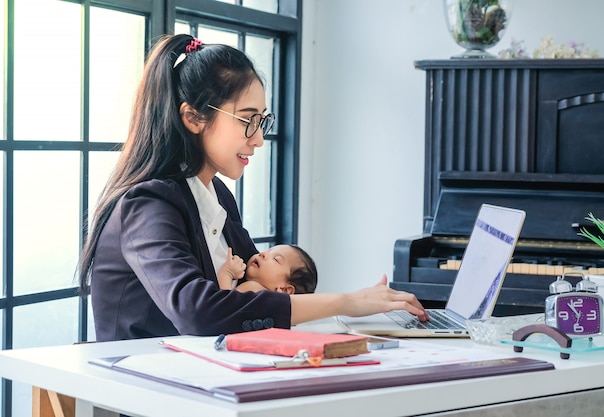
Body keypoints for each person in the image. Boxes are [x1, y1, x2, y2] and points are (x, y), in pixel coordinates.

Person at [77, 33, 428, 342]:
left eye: (262, 120)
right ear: (193, 117)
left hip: (206, 376)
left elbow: (256, 287)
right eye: (247, 120)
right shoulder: (147, 204)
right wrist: (347, 302)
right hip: (146, 392)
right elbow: (199, 311)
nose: (259, 139)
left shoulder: (217, 197)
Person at [218, 245, 317, 294]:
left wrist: (227, 274)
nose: (263, 254)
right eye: (268, 250)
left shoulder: (254, 289)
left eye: (275, 259)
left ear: (286, 290)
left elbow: (225, 307)